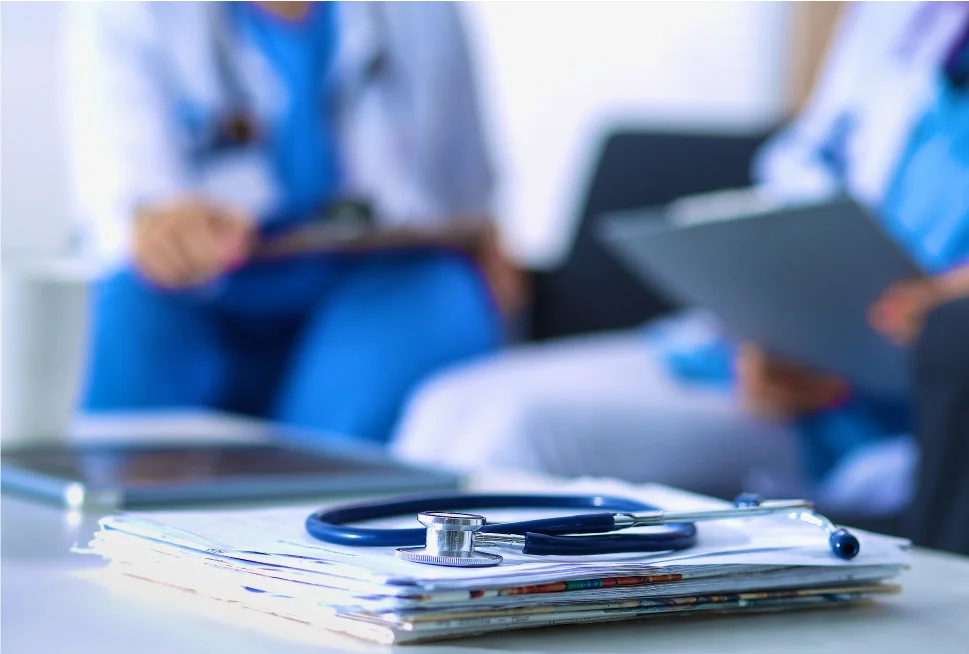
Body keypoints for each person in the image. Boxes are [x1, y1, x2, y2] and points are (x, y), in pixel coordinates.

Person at [394, 2, 969, 509]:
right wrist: (774, 314)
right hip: (762, 360)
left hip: (884, 412)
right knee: (446, 403)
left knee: (515, 435)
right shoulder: (901, 14)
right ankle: (382, 614)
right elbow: (805, 164)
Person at [65, 2, 523, 443]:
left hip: (374, 287)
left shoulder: (424, 10)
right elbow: (127, 200)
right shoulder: (126, 10)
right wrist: (167, 230)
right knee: (133, 311)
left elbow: (465, 197)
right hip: (199, 296)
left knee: (442, 300)